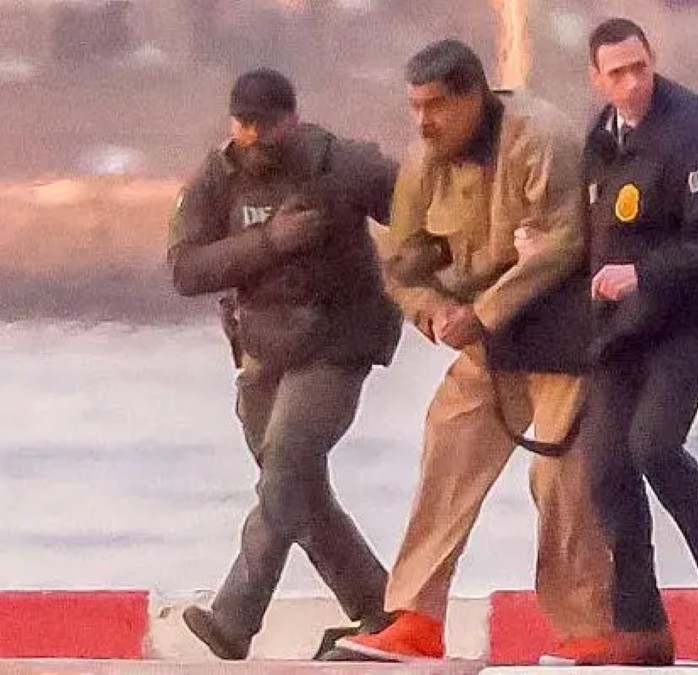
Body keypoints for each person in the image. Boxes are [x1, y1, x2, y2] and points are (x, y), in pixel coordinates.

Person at [331, 39, 613, 664]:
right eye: (414, 107)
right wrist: (431, 311)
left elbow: (563, 242)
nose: (422, 122)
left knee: (561, 479)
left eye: (434, 106)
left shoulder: (540, 138)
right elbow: (400, 263)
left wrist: (480, 313)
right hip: (487, 344)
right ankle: (415, 618)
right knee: (449, 447)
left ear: (472, 97)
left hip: (564, 333)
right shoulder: (424, 161)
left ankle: (587, 627)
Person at [167, 67, 401, 660]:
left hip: (336, 343)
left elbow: (418, 203)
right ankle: (381, 609)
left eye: (265, 125)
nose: (253, 137)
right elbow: (186, 269)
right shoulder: (216, 179)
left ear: (291, 120)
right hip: (263, 350)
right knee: (300, 493)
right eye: (243, 124)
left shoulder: (336, 163)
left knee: (286, 470)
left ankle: (233, 619)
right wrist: (271, 241)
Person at [575, 18, 698, 666]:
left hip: (693, 317)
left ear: (653, 60)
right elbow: (600, 229)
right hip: (624, 327)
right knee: (605, 465)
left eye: (640, 67)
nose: (633, 82)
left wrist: (641, 273)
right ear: (597, 80)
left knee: (654, 443)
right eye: (618, 73)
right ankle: (640, 628)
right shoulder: (602, 137)